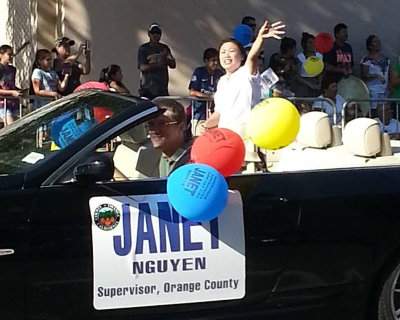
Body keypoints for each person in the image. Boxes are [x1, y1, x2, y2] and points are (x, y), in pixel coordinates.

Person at [204, 20, 285, 137]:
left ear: (242, 56)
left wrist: (260, 38)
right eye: (223, 52)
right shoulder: (221, 81)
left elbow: (252, 57)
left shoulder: (246, 73)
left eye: (231, 51)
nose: (226, 55)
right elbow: (219, 113)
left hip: (247, 136)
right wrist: (206, 125)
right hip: (225, 136)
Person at [147, 98, 191, 177]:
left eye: (162, 123)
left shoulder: (190, 163)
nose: (154, 130)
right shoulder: (166, 155)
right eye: (151, 124)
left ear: (182, 127)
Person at [188, 48, 224, 135]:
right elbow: (192, 91)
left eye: (217, 60)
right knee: (199, 138)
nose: (216, 63)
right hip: (200, 113)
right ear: (206, 61)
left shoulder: (220, 73)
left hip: (215, 114)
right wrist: (209, 97)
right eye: (213, 60)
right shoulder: (199, 72)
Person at [137, 23, 176, 99]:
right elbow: (142, 67)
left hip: (162, 89)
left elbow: (173, 65)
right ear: (149, 34)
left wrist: (165, 59)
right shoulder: (143, 49)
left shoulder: (164, 48)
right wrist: (158, 64)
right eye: (153, 33)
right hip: (147, 89)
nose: (155, 35)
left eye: (158, 33)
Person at [360, 35, 390, 106]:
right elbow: (364, 75)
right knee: (374, 113)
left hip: (384, 92)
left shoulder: (386, 59)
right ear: (370, 46)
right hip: (373, 92)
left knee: (384, 112)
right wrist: (376, 76)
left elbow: (389, 74)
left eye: (378, 41)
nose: (378, 43)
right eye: (375, 41)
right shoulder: (366, 60)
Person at [296, 32, 323, 97]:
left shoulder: (319, 56)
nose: (313, 45)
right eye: (310, 43)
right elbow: (297, 76)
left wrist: (319, 83)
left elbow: (321, 72)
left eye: (314, 42)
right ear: (304, 44)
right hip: (304, 84)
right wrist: (310, 85)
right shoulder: (300, 57)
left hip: (317, 83)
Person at [0, 45, 21, 125]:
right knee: (10, 126)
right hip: (2, 103)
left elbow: (11, 85)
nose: (11, 56)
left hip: (13, 103)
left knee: (17, 127)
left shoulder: (12, 69)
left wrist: (18, 90)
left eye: (12, 54)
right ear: (1, 55)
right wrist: (11, 92)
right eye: (9, 54)